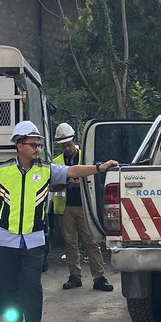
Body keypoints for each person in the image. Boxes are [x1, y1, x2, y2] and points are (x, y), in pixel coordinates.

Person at [0, 120, 117, 322]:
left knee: (32, 287)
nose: (38, 149)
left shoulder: (46, 169)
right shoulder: (2, 170)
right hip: (5, 241)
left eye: (39, 145)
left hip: (33, 241)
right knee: (8, 289)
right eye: (33, 145)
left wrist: (99, 167)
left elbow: (73, 171)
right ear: (19, 145)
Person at [51, 122, 112, 292]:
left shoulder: (85, 158)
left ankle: (99, 277)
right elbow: (51, 186)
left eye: (68, 145)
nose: (66, 148)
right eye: (63, 146)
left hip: (85, 206)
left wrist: (81, 184)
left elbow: (95, 177)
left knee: (91, 241)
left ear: (74, 141)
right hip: (66, 208)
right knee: (70, 243)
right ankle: (74, 276)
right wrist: (67, 184)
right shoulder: (57, 162)